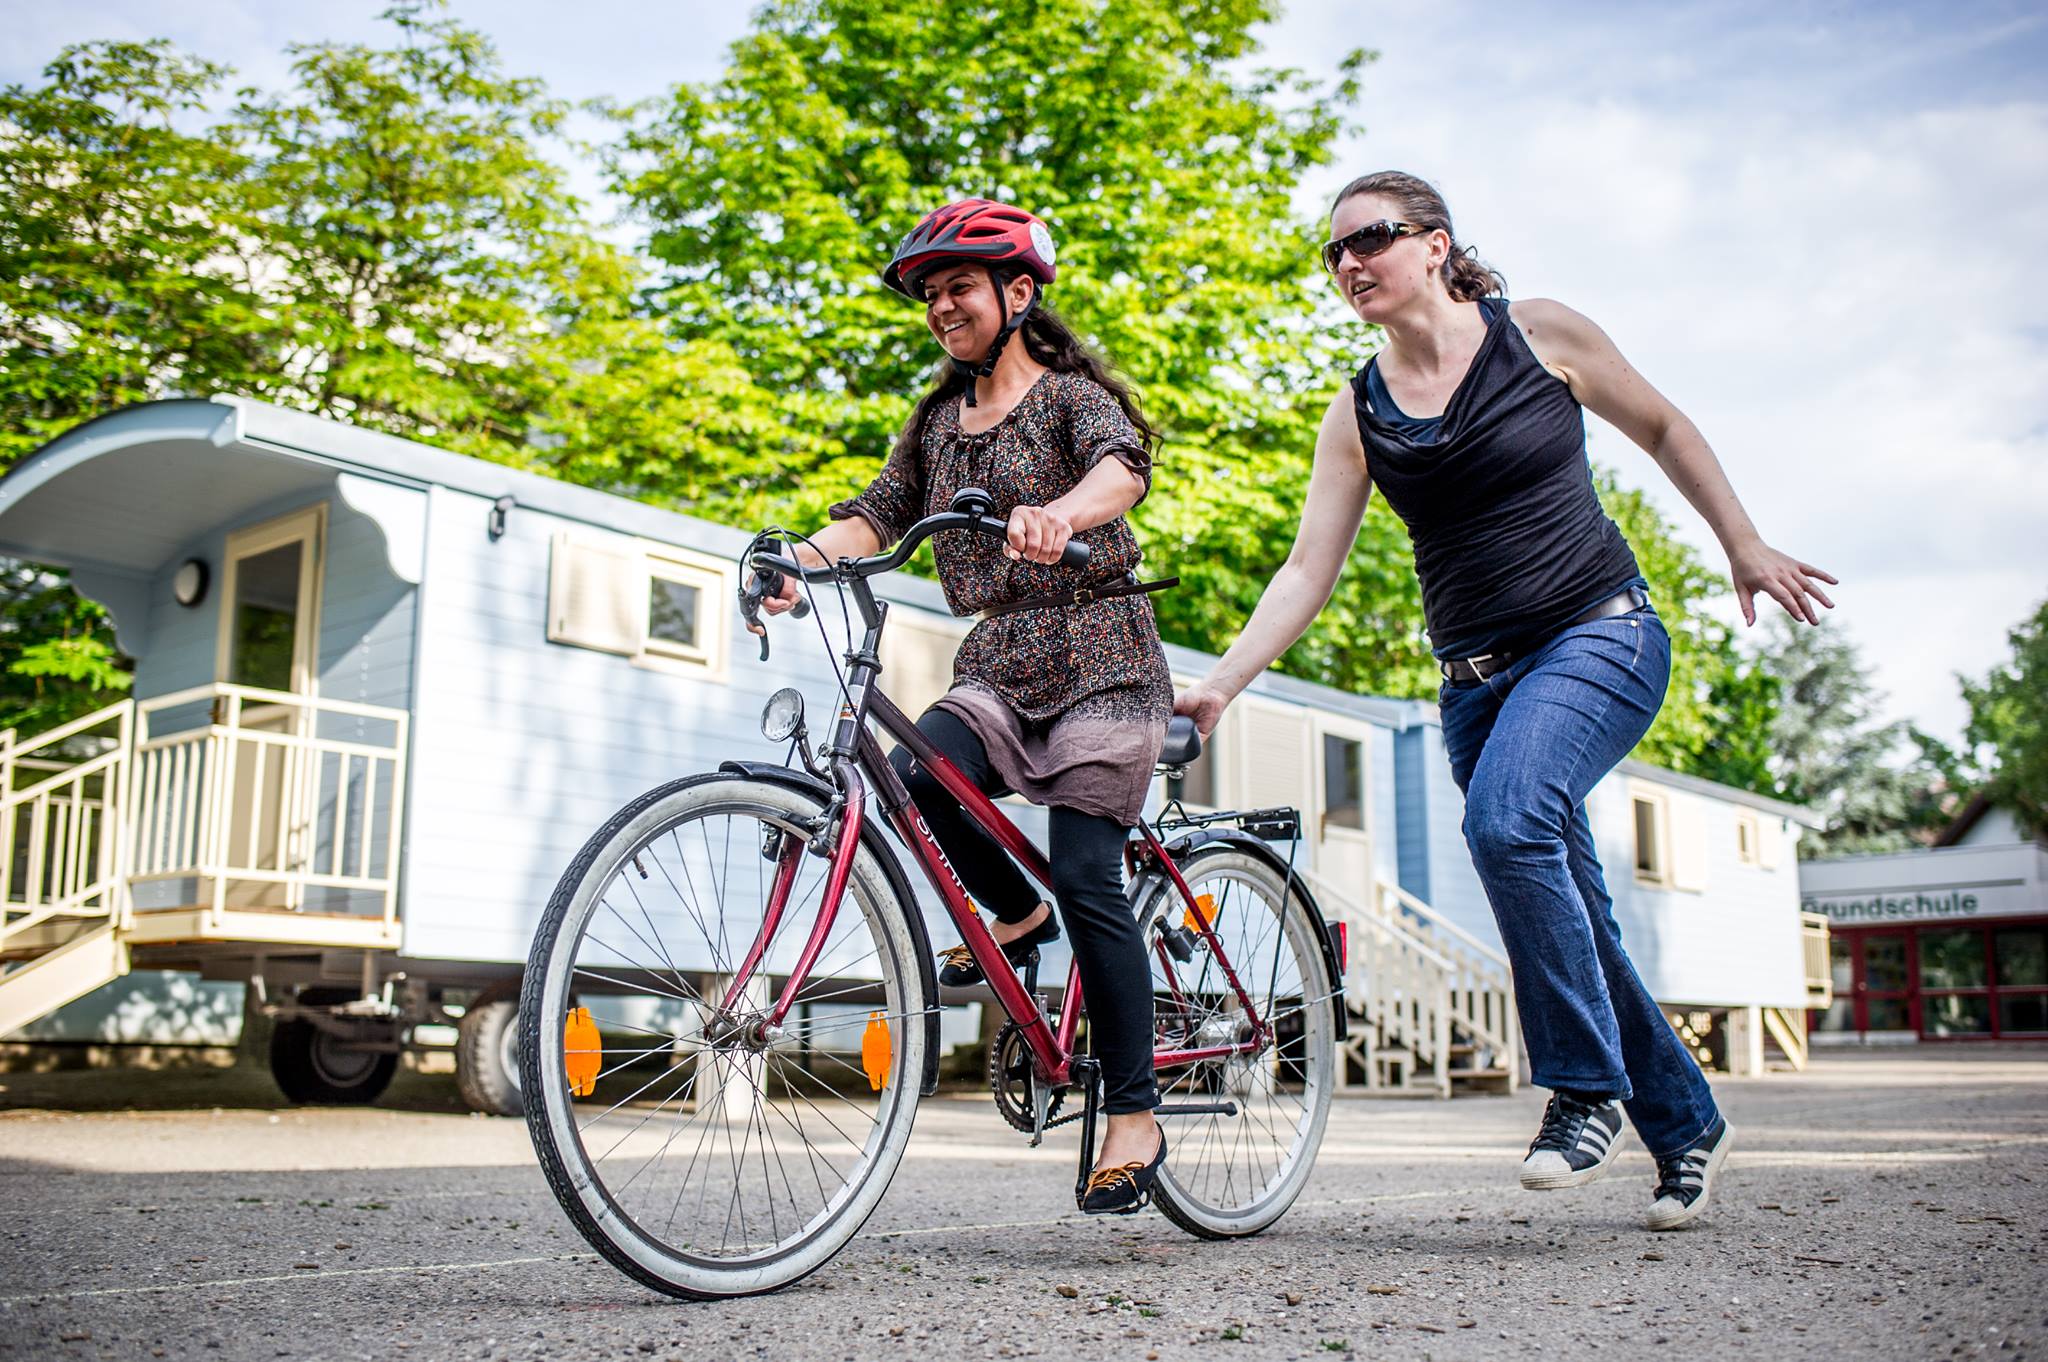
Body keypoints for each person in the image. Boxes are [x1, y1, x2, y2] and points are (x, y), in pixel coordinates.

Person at [1175, 171, 1837, 1231]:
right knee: (1572, 912)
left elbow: (1663, 428)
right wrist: (1218, 684)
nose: (1349, 263)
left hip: (1601, 635)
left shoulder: (1536, 335)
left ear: (1435, 245)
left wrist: (1741, 545)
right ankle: (1684, 1123)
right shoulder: (1358, 411)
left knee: (1502, 820)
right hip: (1475, 687)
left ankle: (1581, 1091)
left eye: (1372, 239)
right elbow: (1306, 571)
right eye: (1333, 251)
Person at [758, 198, 1172, 1213]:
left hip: (1103, 653)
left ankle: (1132, 1110)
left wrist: (1058, 514)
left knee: (1088, 872)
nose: (940, 306)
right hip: (999, 656)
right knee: (915, 776)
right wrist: (795, 563)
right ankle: (1015, 916)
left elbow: (1122, 468)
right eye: (929, 293)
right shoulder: (938, 421)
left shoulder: (1073, 397)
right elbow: (877, 514)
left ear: (1018, 292)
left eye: (958, 287)